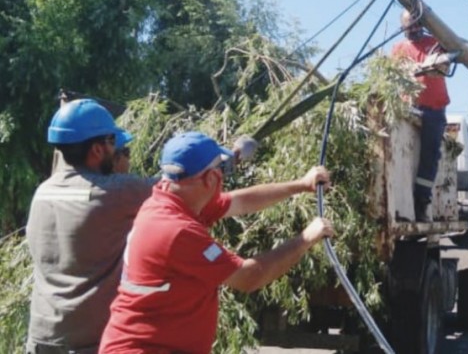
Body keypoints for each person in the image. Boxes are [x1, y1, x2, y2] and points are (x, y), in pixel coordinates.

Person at [99, 131, 335, 353]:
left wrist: (301, 185)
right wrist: (306, 238)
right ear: (211, 177)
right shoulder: (176, 229)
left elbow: (241, 202)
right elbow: (248, 277)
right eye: (221, 169)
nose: (223, 176)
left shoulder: (171, 199)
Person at [25, 99, 153, 354]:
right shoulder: (115, 191)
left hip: (41, 339)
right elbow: (182, 187)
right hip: (89, 344)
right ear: (97, 150)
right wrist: (231, 158)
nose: (117, 150)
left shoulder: (43, 192)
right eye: (113, 143)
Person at [391, 7, 450, 222]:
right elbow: (393, 77)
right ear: (402, 26)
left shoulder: (434, 42)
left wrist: (430, 63)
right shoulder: (397, 49)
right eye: (410, 25)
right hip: (408, 109)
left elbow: (443, 61)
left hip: (434, 108)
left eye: (417, 24)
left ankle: (421, 202)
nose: (414, 28)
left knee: (430, 156)